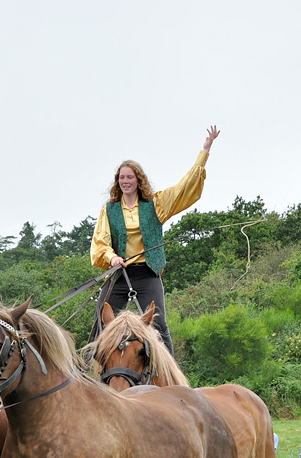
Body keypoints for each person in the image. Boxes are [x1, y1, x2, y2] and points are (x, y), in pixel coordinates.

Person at [90, 125, 219, 352]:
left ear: (138, 180)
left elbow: (183, 187)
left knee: (158, 324)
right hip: (119, 274)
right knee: (101, 321)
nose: (125, 181)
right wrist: (112, 258)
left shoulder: (156, 205)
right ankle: (93, 368)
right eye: (121, 177)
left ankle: (170, 371)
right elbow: (100, 241)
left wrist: (205, 151)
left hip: (147, 273)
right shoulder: (109, 210)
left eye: (129, 177)